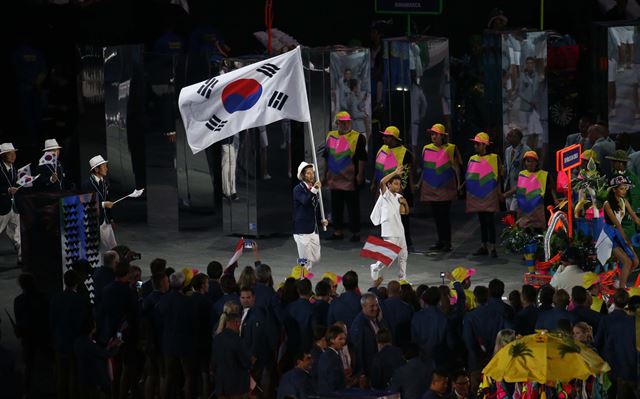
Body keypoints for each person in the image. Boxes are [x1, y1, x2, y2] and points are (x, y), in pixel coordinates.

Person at [323, 111, 367, 242]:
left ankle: (355, 232)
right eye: (342, 122)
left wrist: (360, 174)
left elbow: (361, 158)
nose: (345, 124)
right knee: (336, 206)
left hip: (350, 178)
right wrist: (324, 174)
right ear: (337, 123)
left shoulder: (358, 137)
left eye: (347, 121)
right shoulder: (331, 136)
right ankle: (338, 231)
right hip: (334, 177)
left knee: (353, 206)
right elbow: (327, 156)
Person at [420, 124, 462, 252]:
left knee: (444, 215)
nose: (433, 136)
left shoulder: (451, 148)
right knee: (436, 216)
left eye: (436, 134)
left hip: (445, 187)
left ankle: (447, 242)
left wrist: (459, 184)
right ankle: (440, 241)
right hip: (431, 188)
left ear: (443, 136)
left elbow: (456, 168)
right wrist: (419, 183)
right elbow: (425, 169)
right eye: (432, 134)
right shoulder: (426, 148)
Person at [372, 126, 415, 248]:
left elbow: (406, 174)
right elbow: (378, 168)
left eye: (387, 136)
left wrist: (400, 192)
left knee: (401, 217)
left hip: (397, 191)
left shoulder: (405, 153)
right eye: (384, 136)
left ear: (394, 139)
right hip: (383, 189)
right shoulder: (382, 149)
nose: (384, 138)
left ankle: (406, 241)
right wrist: (375, 184)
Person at [50, 269, 89, 399]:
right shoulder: (79, 300)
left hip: (60, 341)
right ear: (77, 282)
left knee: (61, 376)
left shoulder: (55, 298)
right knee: (74, 375)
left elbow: (52, 321)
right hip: (74, 342)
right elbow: (82, 323)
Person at [370, 165, 409, 280]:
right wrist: (395, 172)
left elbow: (404, 212)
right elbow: (382, 181)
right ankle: (375, 267)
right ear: (389, 184)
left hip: (400, 231)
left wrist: (405, 203)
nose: (398, 186)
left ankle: (403, 279)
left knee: (403, 256)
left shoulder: (399, 196)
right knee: (389, 257)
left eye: (399, 184)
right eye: (395, 183)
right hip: (389, 230)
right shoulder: (385, 195)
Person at [596, 289, 637, 399]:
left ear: (613, 300)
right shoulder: (628, 321)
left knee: (612, 392)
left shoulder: (606, 320)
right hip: (629, 367)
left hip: (612, 364)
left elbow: (600, 342)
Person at [466, 132, 501, 257]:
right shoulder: (472, 158)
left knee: (489, 221)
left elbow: (498, 176)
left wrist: (499, 193)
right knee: (481, 221)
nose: (475, 146)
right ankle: (483, 246)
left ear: (485, 145)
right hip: (477, 195)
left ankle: (492, 247)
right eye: (475, 143)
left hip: (489, 194)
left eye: (478, 144)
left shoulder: (494, 157)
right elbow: (470, 176)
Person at [503, 151, 558, 229]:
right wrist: (506, 194)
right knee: (524, 229)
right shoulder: (522, 174)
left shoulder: (544, 174)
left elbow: (552, 187)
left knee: (538, 230)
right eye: (528, 161)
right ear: (525, 162)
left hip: (538, 210)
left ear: (536, 163)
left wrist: (555, 199)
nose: (530, 163)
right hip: (524, 210)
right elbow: (517, 187)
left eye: (533, 161)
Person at [602, 175, 640, 287]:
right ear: (614, 189)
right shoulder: (607, 204)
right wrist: (626, 239)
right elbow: (618, 225)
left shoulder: (624, 202)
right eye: (621, 188)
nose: (624, 191)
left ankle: (620, 280)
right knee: (628, 262)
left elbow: (635, 218)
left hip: (618, 233)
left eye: (625, 188)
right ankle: (622, 289)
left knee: (636, 262)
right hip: (609, 235)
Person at [293, 162, 328, 272]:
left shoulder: (314, 189)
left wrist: (321, 221)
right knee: (306, 263)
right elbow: (305, 201)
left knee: (316, 258)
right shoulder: (298, 189)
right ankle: (302, 283)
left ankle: (300, 266)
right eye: (308, 173)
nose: (311, 175)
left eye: (312, 173)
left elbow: (314, 208)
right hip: (301, 229)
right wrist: (314, 190)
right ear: (303, 176)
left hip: (313, 228)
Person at [349, 292, 389, 383]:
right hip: (368, 371)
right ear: (363, 307)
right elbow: (358, 350)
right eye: (372, 306)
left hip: (378, 368)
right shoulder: (359, 325)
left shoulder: (375, 319)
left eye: (376, 305)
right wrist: (361, 373)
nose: (375, 308)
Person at [212, 311, 252, 399]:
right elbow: (246, 363)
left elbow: (213, 362)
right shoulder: (238, 340)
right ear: (237, 323)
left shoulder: (217, 338)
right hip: (237, 386)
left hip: (221, 384)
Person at [84, 155, 117, 254]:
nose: (106, 169)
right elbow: (86, 202)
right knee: (94, 249)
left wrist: (111, 218)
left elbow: (108, 199)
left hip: (105, 220)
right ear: (97, 169)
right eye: (104, 166)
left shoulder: (104, 183)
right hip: (94, 221)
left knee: (113, 247)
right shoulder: (87, 184)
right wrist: (103, 204)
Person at [607, 149, 640, 242]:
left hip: (627, 217)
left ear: (620, 163)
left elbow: (635, 196)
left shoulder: (632, 178)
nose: (612, 164)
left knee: (629, 240)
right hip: (615, 213)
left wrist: (631, 212)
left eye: (614, 161)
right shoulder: (614, 176)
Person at [0, 143, 21, 264]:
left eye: (14, 153)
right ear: (3, 155)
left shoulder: (15, 169)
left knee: (18, 234)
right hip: (2, 206)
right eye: (9, 153)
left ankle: (21, 259)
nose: (13, 156)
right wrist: (7, 190)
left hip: (14, 207)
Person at [317, 325, 352, 394]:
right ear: (332, 340)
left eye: (344, 339)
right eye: (340, 339)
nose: (343, 342)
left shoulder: (332, 354)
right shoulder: (330, 356)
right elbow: (331, 381)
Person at [503, 128, 531, 212]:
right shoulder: (508, 150)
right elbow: (506, 167)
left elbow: (528, 171)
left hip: (520, 188)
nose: (508, 137)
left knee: (514, 212)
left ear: (517, 138)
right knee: (509, 213)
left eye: (511, 135)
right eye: (508, 135)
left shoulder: (526, 150)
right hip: (508, 187)